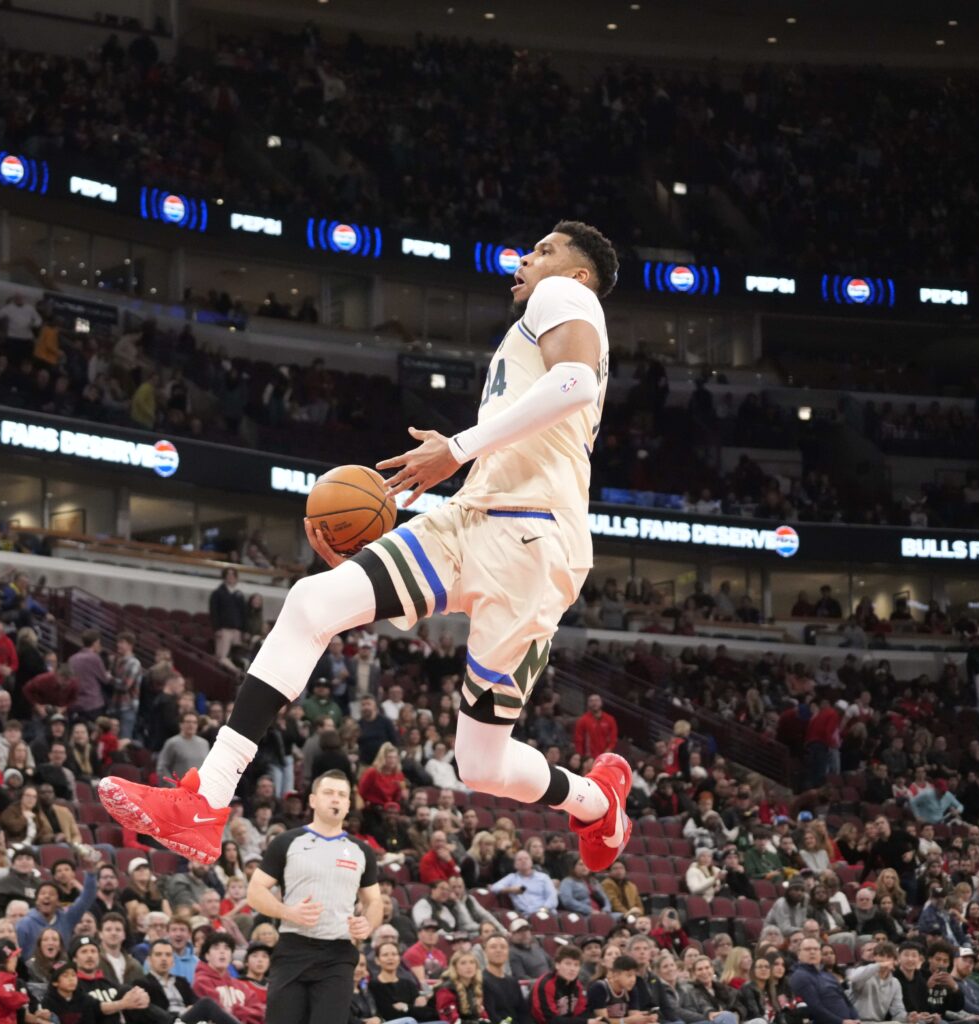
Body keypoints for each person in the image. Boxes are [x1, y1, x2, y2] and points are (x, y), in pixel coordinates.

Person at [98, 224, 628, 870]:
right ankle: (206, 800)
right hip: (491, 520)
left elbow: (573, 383)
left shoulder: (565, 298)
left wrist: (456, 448)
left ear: (577, 275)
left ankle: (599, 801)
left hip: (525, 529)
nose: (525, 257)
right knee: (332, 621)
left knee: (464, 744)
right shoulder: (544, 324)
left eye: (545, 250)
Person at [244, 770, 383, 1024]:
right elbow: (254, 892)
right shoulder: (288, 842)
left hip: (338, 954)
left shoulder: (361, 851)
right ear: (312, 800)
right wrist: (287, 911)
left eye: (342, 795)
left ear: (349, 804)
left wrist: (368, 923)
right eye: (328, 793)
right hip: (293, 948)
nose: (335, 799)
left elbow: (374, 902)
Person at [135, 937, 247, 1024]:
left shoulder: (181, 982)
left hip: (187, 1020)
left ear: (173, 961)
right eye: (158, 955)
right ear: (149, 960)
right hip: (168, 1021)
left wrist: (191, 1009)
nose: (164, 958)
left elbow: (195, 1002)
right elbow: (150, 1013)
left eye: (168, 955)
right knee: (207, 1003)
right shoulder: (142, 983)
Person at [193, 933, 264, 1024]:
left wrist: (234, 1009)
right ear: (207, 955)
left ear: (231, 955)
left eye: (226, 948)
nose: (222, 952)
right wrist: (245, 1012)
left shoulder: (241, 985)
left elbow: (259, 1013)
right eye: (216, 948)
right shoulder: (201, 981)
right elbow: (215, 1012)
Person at [787, 936, 860, 1024]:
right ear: (799, 954)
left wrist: (856, 1018)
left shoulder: (828, 975)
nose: (812, 952)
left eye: (816, 949)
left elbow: (846, 1001)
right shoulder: (800, 976)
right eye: (807, 949)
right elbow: (814, 1008)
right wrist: (841, 1022)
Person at [846, 942, 905, 1024]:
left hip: (878, 1022)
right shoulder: (865, 974)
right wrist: (879, 965)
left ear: (894, 961)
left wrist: (907, 1018)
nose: (884, 959)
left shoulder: (895, 983)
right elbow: (853, 978)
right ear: (874, 957)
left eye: (889, 957)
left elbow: (898, 1010)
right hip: (856, 1021)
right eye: (881, 956)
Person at [584, 954, 652, 1024]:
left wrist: (645, 1018)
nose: (633, 979)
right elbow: (603, 1021)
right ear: (615, 975)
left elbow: (634, 1017)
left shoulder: (631, 989)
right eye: (629, 975)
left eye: (634, 975)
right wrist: (628, 1020)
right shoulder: (599, 988)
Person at [530, 945, 588, 1024]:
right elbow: (550, 1020)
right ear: (557, 965)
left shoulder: (577, 986)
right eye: (568, 964)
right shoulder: (545, 984)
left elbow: (582, 1012)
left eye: (576, 965)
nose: (572, 969)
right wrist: (586, 1022)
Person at [482, 934, 531, 1024]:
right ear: (485, 952)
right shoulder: (481, 981)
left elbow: (523, 1013)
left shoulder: (513, 982)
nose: (498, 950)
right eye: (493, 947)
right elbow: (490, 1015)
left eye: (503, 947)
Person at [436, 950, 488, 1024]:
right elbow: (451, 1021)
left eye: (472, 962)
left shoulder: (474, 987)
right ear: (455, 967)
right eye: (463, 963)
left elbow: (483, 1016)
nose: (469, 966)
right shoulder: (446, 989)